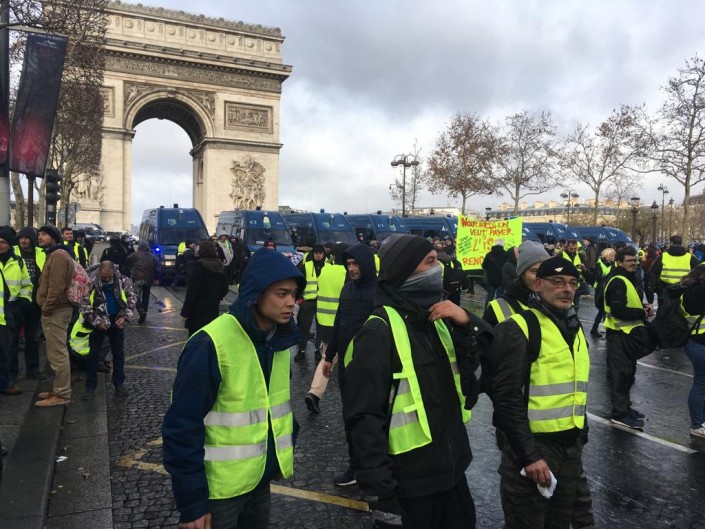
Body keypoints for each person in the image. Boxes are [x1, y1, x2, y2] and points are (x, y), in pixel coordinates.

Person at [343, 234, 483, 528]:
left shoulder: (438, 318)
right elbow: (364, 417)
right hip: (409, 486)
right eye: (430, 262)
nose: (438, 269)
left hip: (452, 473)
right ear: (405, 270)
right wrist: (381, 493)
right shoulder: (378, 330)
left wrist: (466, 325)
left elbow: (472, 383)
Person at [162, 248, 305, 529]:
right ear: (256, 293)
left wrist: (277, 458)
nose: (291, 302)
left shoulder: (278, 340)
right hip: (219, 492)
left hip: (259, 481)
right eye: (281, 294)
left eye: (294, 294)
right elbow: (181, 427)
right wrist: (192, 504)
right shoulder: (210, 343)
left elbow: (276, 407)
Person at [490, 256, 591, 528]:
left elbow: (576, 387)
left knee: (559, 522)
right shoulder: (520, 327)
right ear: (538, 284)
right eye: (557, 282)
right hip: (534, 449)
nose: (567, 289)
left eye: (572, 283)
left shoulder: (574, 326)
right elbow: (506, 398)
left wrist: (581, 434)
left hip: (569, 446)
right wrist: (529, 455)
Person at [604, 246, 653, 429]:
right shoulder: (618, 281)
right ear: (619, 262)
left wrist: (642, 307)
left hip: (627, 334)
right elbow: (618, 310)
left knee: (628, 374)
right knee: (621, 375)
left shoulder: (626, 278)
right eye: (630, 261)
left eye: (635, 260)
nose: (634, 263)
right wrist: (642, 313)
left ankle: (625, 407)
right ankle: (619, 413)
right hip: (619, 334)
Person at [80, 260, 136, 400]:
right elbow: (84, 305)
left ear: (113, 272)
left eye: (108, 277)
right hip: (98, 322)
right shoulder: (91, 282)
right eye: (103, 277)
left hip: (117, 320)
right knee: (93, 355)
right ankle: (90, 388)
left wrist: (124, 318)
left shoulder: (124, 280)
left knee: (118, 355)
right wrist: (97, 322)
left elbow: (131, 300)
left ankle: (119, 385)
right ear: (99, 272)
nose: (106, 279)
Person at [35, 225, 74, 407]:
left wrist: (47, 308)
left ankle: (62, 394)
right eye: (39, 234)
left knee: (57, 353)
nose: (39, 237)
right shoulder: (56, 253)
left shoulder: (58, 255)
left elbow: (56, 288)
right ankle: (58, 389)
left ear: (53, 237)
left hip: (56, 310)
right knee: (55, 352)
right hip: (58, 309)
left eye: (43, 234)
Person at [0, 227, 33, 395]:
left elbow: (26, 285)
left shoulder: (18, 262)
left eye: (3, 242)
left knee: (8, 349)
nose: (0, 245)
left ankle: (8, 380)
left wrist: (22, 303)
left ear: (9, 244)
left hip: (11, 310)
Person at [13, 226, 46, 379]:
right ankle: (12, 373)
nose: (23, 241)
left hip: (35, 302)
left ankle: (33, 369)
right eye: (21, 238)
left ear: (32, 240)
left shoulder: (41, 253)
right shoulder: (12, 252)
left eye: (26, 238)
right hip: (16, 302)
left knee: (33, 338)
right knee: (13, 339)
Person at [180, 240, 229, 336]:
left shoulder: (198, 267)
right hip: (212, 311)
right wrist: (217, 297)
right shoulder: (219, 267)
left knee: (195, 339)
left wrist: (185, 312)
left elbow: (192, 292)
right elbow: (225, 288)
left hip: (196, 313)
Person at [678, 265, 705, 439]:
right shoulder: (700, 292)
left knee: (701, 384)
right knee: (701, 384)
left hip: (693, 342)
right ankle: (697, 424)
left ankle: (700, 421)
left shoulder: (686, 292)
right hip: (701, 343)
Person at [311, 243, 348, 363]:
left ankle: (320, 376)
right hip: (340, 320)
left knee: (326, 357)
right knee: (343, 357)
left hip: (323, 319)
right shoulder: (346, 272)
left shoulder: (325, 269)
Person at [294, 244, 326, 362]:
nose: (318, 255)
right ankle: (301, 350)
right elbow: (300, 281)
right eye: (316, 253)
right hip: (308, 301)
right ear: (313, 254)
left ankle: (317, 350)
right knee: (304, 327)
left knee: (320, 328)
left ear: (323, 254)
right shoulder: (307, 266)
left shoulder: (327, 266)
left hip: (322, 301)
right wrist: (299, 298)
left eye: (320, 253)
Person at [648, 235, 699, 305]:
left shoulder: (663, 256)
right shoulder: (690, 257)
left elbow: (654, 272)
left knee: (664, 309)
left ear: (671, 243)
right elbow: (698, 271)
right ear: (681, 243)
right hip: (683, 289)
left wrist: (652, 287)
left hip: (665, 289)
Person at [125, 241, 160, 324]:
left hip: (138, 278)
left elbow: (127, 261)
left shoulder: (135, 255)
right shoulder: (153, 256)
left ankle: (141, 311)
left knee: (136, 296)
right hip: (149, 279)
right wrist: (156, 278)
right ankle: (144, 311)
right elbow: (157, 269)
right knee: (146, 296)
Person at [557, 239, 589, 312]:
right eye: (571, 249)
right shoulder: (560, 255)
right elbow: (556, 268)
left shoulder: (580, 255)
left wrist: (584, 268)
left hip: (577, 283)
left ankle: (574, 317)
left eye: (575, 249)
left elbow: (586, 269)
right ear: (567, 247)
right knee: (565, 304)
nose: (573, 250)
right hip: (564, 283)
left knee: (576, 305)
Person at [589, 248, 616, 337]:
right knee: (602, 310)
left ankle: (598, 329)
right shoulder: (599, 264)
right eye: (611, 255)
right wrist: (609, 277)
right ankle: (597, 329)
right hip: (600, 289)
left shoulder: (613, 265)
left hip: (608, 288)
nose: (613, 257)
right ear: (606, 256)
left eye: (614, 256)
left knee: (604, 310)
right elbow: (599, 277)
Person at [482, 239, 507, 308]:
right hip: (501, 280)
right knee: (499, 298)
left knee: (489, 297)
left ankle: (487, 310)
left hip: (491, 279)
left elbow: (483, 265)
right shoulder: (506, 254)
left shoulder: (489, 254)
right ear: (503, 245)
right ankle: (497, 312)